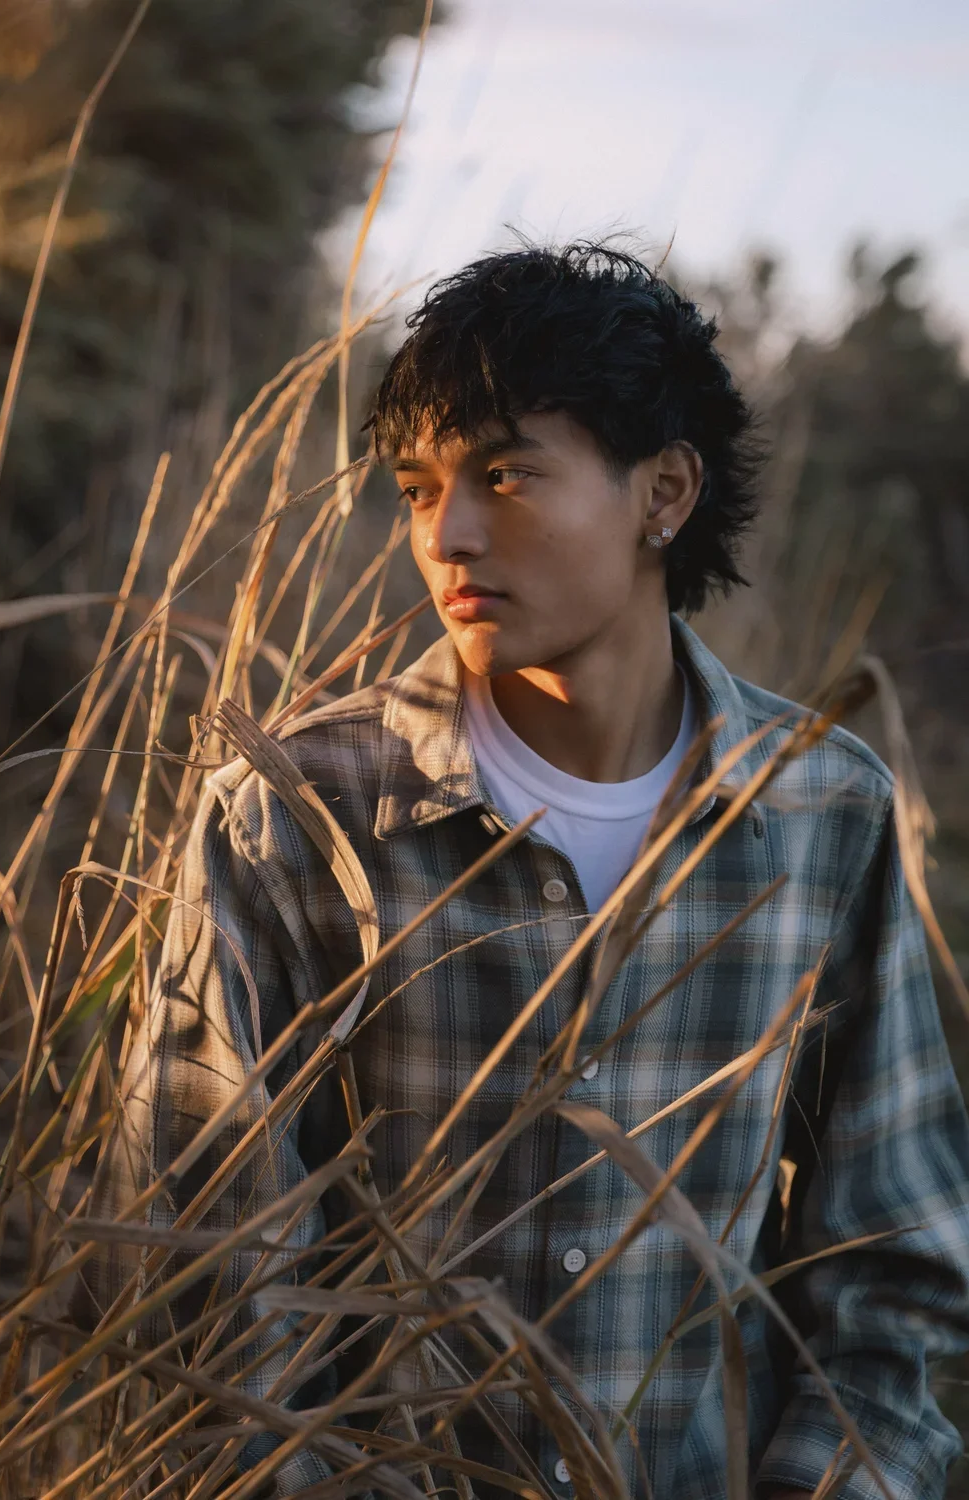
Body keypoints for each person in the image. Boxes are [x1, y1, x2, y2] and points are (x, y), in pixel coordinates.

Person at [89, 243, 969, 1500]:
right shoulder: (290, 813)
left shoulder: (821, 809)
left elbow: (892, 1268)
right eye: (415, 486)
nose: (445, 534)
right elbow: (204, 1279)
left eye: (502, 474)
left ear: (663, 491)